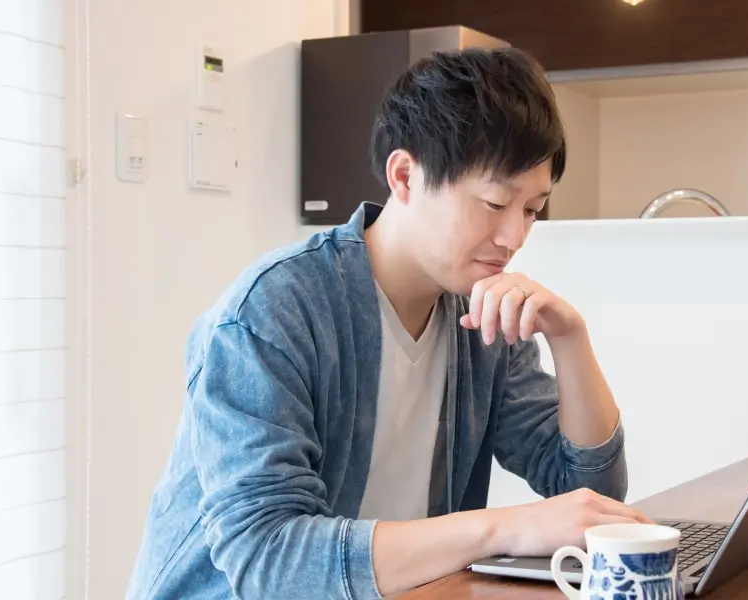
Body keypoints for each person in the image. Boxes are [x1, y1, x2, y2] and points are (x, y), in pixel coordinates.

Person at [125, 47, 648, 600]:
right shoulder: (273, 311)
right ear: (405, 175)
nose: (516, 238)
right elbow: (271, 558)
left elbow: (591, 498)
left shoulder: (482, 312)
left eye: (533, 209)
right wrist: (504, 527)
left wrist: (570, 338)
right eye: (496, 203)